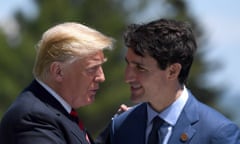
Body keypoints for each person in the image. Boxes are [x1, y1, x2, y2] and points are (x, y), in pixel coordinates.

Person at [100, 18, 240, 144]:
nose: (127, 77)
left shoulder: (218, 133)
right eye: (128, 64)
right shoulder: (121, 126)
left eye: (140, 68)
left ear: (172, 71)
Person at [0, 22, 114, 144]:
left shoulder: (53, 110)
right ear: (58, 72)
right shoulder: (32, 118)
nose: (101, 77)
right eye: (92, 69)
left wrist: (119, 126)